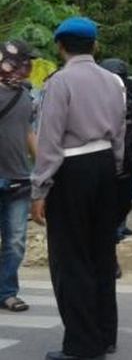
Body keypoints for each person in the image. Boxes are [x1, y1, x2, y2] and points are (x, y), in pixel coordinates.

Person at [31, 16, 126, 360]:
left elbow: (49, 141)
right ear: (95, 45)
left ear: (61, 46)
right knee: (102, 254)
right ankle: (105, 335)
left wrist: (40, 188)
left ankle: (82, 345)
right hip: (104, 167)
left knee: (71, 260)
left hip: (71, 170)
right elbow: (120, 133)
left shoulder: (60, 82)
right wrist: (112, 170)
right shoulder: (113, 81)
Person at [100, 58, 132, 278]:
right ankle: (106, 258)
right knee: (100, 217)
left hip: (124, 168)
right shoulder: (92, 101)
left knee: (120, 208)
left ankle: (108, 246)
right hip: (98, 168)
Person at [0, 40, 36, 313]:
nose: (28, 68)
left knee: (15, 241)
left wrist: (45, 166)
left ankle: (7, 292)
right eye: (24, 61)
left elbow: (29, 135)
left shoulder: (24, 96)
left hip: (19, 179)